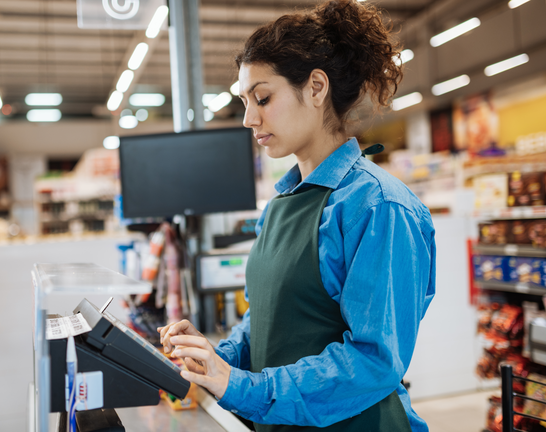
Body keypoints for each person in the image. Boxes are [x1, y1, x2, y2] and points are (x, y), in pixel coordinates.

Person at [158, 1, 436, 430]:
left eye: (263, 98)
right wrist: (216, 358)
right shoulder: (282, 205)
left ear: (316, 88)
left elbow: (374, 360)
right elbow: (266, 321)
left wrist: (243, 387)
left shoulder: (379, 207)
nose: (250, 118)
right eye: (245, 102)